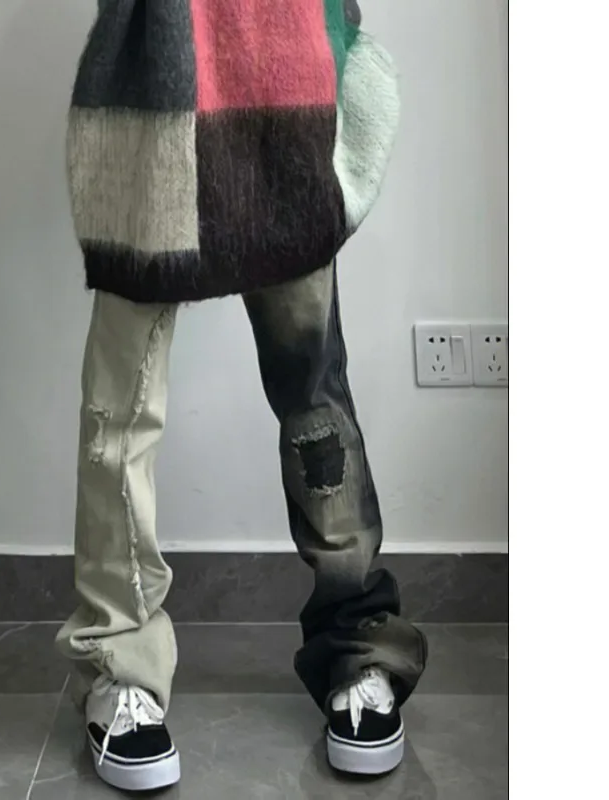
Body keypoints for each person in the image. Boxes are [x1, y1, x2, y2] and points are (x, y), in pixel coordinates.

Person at [56, 0, 427, 791]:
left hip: (286, 95)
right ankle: (120, 663)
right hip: (149, 108)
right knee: (119, 412)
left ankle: (358, 642)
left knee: (316, 403)